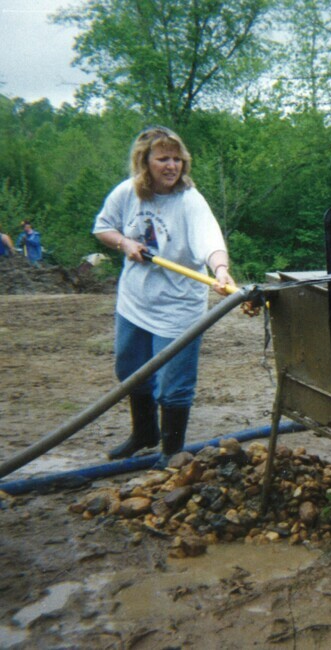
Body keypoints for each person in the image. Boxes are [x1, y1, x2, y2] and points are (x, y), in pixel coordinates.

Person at [93, 126, 236, 468]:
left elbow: (211, 242)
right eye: (163, 159)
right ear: (145, 162)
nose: (172, 166)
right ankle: (144, 433)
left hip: (179, 308)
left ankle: (172, 452)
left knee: (173, 385)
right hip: (135, 301)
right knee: (130, 370)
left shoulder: (191, 201)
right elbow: (102, 227)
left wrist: (220, 271)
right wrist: (125, 243)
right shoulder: (127, 193)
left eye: (177, 159)